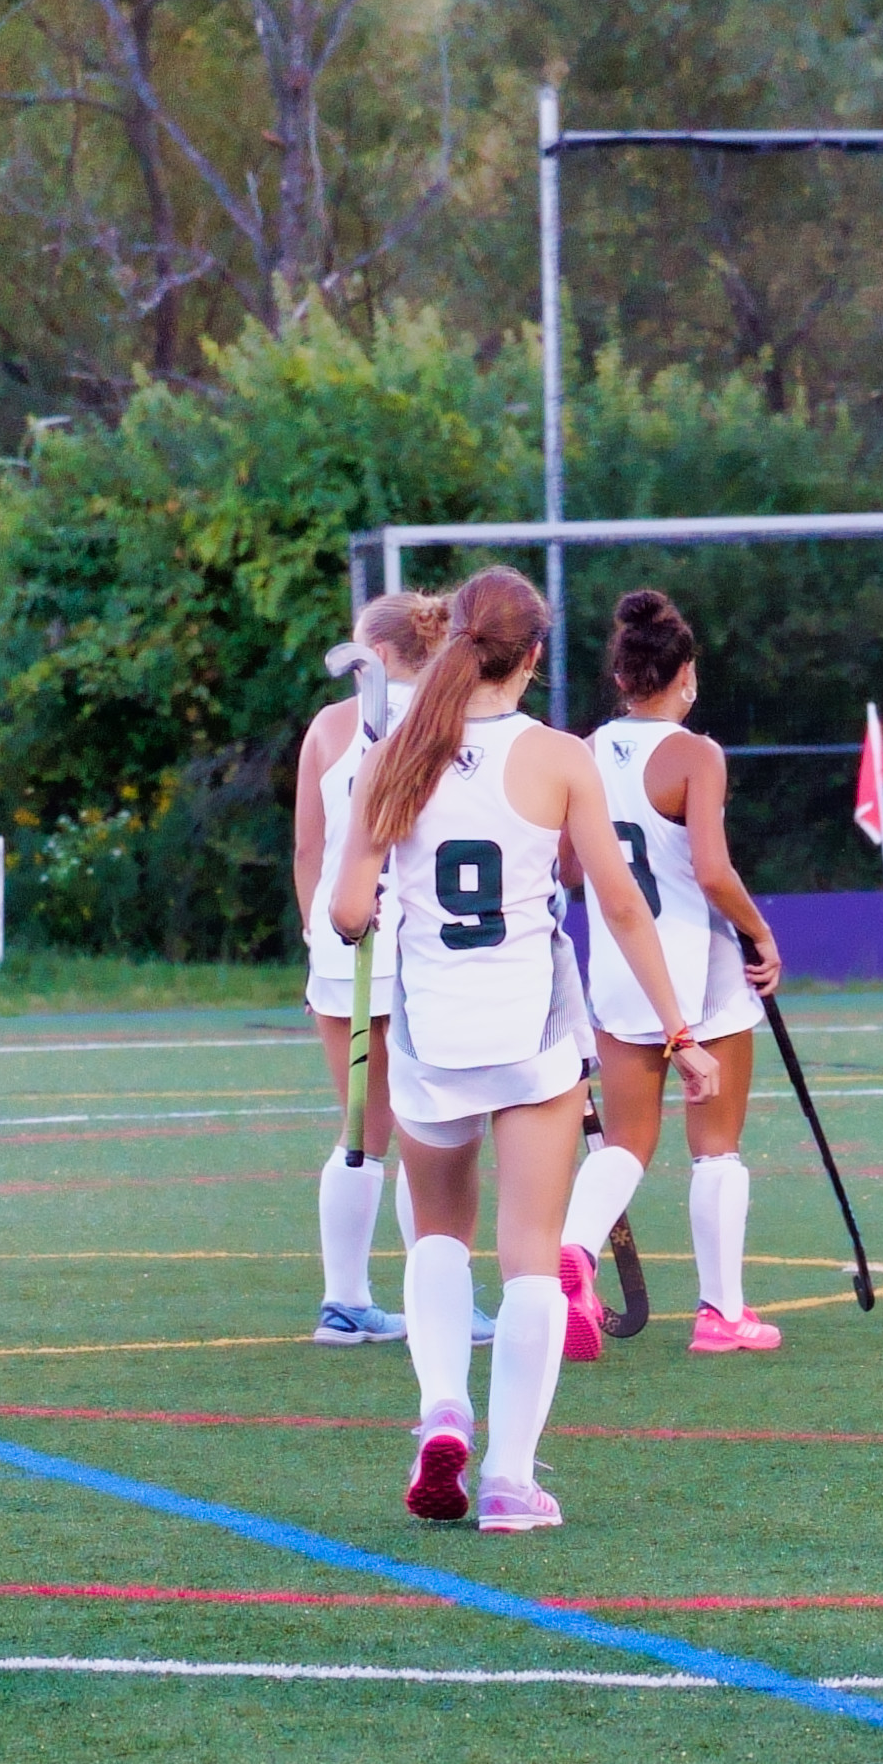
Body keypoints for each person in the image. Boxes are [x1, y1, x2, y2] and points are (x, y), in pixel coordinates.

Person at [328, 570, 716, 1535]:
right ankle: (506, 1476)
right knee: (531, 1259)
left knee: (438, 1235)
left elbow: (343, 912)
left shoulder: (394, 753)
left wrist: (373, 905)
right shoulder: (558, 758)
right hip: (530, 1037)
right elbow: (619, 905)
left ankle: (441, 1412)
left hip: (430, 1036)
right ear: (534, 657)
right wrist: (677, 1027)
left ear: (451, 639)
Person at [556, 588, 786, 1356]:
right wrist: (760, 932)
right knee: (714, 1144)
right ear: (683, 672)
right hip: (699, 962)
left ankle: (575, 1257)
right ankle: (722, 1314)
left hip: (619, 969)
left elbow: (570, 868)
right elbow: (714, 873)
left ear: (621, 677)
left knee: (625, 1139)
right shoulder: (695, 754)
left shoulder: (581, 752)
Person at [293, 600, 436, 1345]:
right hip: (415, 952)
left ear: (377, 650)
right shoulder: (449, 722)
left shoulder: (326, 727)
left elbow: (307, 856)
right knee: (424, 1129)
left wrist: (321, 930)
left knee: (361, 1130)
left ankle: (346, 1301)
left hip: (341, 947)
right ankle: (429, 1303)